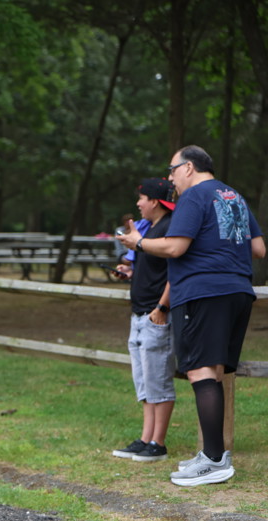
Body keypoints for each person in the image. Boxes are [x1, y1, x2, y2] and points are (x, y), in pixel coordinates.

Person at [119, 145, 266, 487]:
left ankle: (214, 461)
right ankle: (214, 456)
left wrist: (138, 242)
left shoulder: (194, 196)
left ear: (188, 167)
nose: (170, 178)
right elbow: (258, 249)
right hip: (238, 291)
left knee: (200, 371)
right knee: (213, 372)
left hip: (203, 292)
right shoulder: (234, 197)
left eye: (172, 170)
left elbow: (175, 247)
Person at [111, 178, 176, 463]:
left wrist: (162, 307)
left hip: (156, 315)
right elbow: (151, 269)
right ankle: (145, 438)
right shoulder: (147, 230)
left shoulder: (170, 228)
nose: (138, 203)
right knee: (144, 381)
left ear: (155, 201)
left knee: (158, 380)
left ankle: (158, 444)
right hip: (138, 314)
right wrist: (129, 271)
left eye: (142, 198)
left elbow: (176, 273)